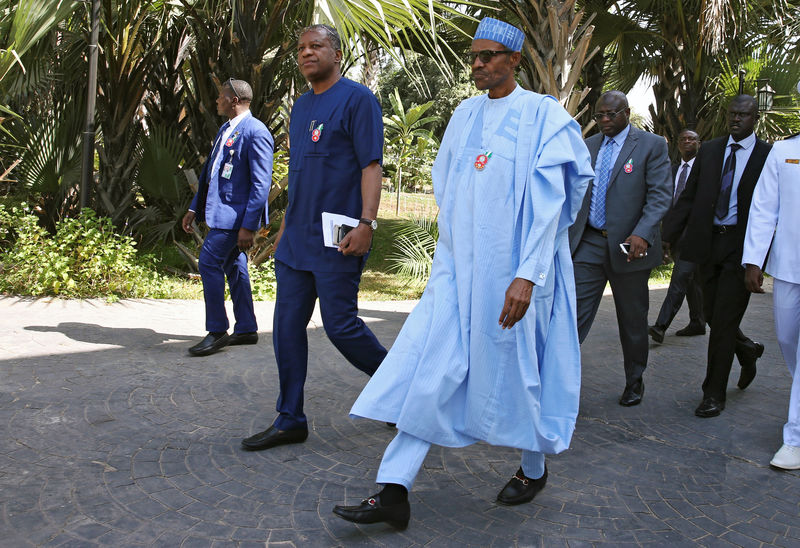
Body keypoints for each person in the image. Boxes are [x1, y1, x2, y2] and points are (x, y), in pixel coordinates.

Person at [331, 17, 594, 529]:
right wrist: (446, 267)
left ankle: (533, 467)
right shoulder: (463, 115)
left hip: (516, 280)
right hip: (458, 277)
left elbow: (553, 204)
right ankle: (393, 491)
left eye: (489, 56)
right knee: (428, 375)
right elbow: (448, 192)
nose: (477, 64)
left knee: (522, 377)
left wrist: (528, 275)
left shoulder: (543, 116)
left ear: (515, 60)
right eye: (473, 56)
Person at [240, 25, 387, 451]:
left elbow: (371, 166)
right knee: (286, 326)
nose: (306, 53)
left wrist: (367, 223)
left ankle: (403, 389)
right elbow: (302, 173)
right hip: (296, 240)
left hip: (338, 238)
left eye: (315, 46)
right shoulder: (301, 107)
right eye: (301, 48)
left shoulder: (359, 100)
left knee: (341, 327)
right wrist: (284, 227)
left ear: (336, 54)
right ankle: (290, 418)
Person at [663, 95, 770, 418]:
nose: (736, 119)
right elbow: (688, 197)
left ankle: (713, 393)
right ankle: (747, 350)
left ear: (755, 118)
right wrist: (666, 236)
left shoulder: (768, 156)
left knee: (723, 321)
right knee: (711, 315)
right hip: (707, 245)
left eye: (744, 115)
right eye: (732, 114)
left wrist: (760, 258)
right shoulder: (709, 151)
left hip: (742, 247)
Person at [569, 91, 672, 407]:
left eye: (610, 114)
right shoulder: (588, 147)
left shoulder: (651, 146)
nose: (604, 120)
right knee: (571, 315)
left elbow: (659, 196)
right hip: (588, 243)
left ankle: (634, 379)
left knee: (632, 319)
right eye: (599, 115)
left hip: (630, 248)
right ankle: (560, 384)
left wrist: (642, 233)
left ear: (627, 112)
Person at [182, 79, 273, 357]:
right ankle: (246, 328)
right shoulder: (225, 129)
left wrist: (248, 226)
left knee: (208, 262)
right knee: (234, 266)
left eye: (221, 96)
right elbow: (210, 173)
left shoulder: (256, 131)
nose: (217, 101)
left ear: (234, 100)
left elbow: (261, 184)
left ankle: (217, 331)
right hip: (220, 214)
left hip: (235, 219)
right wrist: (194, 208)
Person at [742, 122, 800, 469]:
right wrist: (753, 259)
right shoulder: (784, 151)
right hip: (790, 267)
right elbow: (764, 208)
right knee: (786, 338)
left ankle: (793, 439)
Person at [649, 129, 705, 343]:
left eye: (692, 138)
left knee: (680, 278)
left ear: (699, 143)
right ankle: (698, 321)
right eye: (683, 139)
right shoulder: (672, 171)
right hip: (675, 233)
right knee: (691, 280)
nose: (687, 142)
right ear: (677, 144)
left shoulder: (704, 170)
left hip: (696, 233)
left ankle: (661, 326)